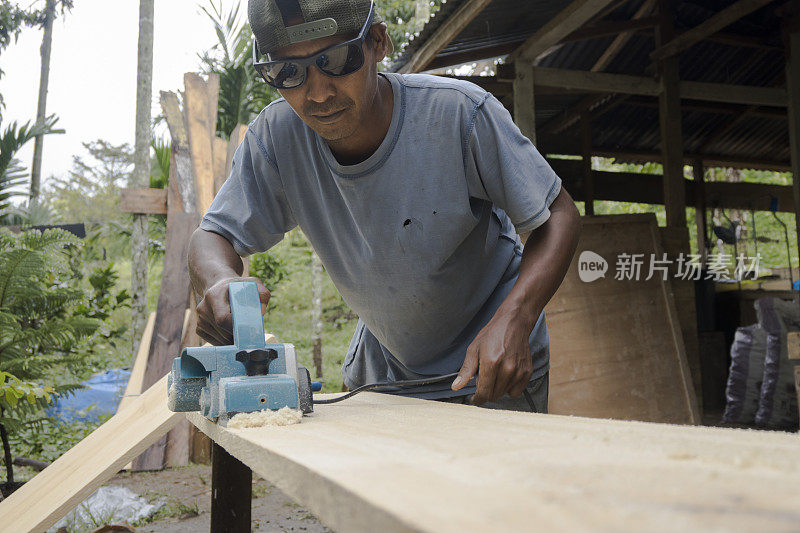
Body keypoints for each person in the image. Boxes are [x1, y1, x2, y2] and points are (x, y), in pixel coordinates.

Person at [188, 0, 581, 412]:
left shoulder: (460, 115)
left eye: (337, 59)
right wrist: (217, 280)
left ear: (378, 42)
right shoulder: (276, 140)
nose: (318, 93)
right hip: (382, 378)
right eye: (288, 72)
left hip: (491, 368)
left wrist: (516, 317)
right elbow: (211, 235)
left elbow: (558, 215)